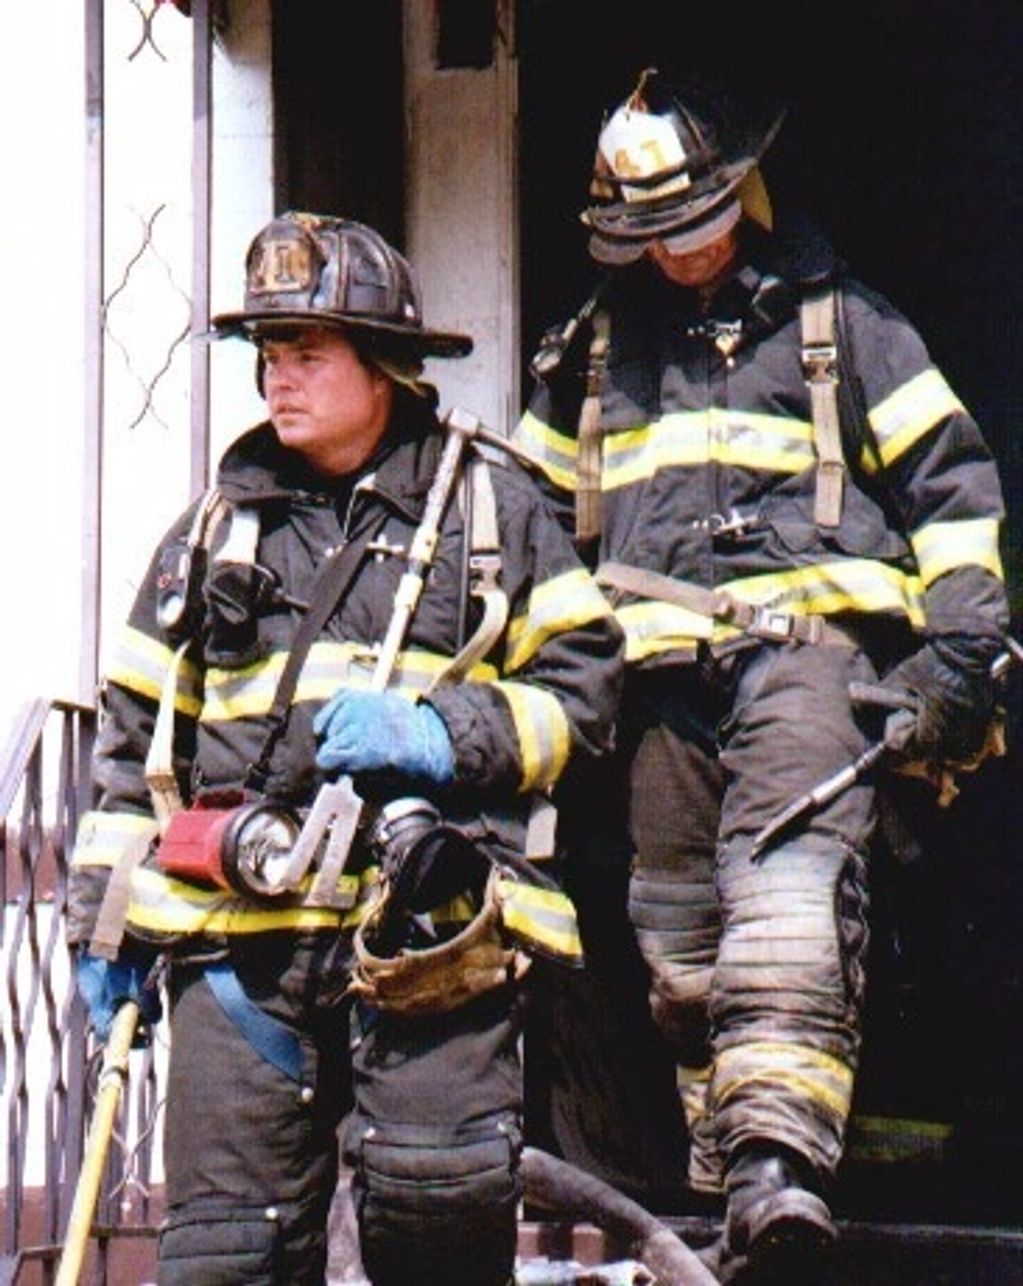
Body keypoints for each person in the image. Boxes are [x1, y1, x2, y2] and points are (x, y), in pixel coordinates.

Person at [513, 68, 1010, 1283]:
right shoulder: (589, 352)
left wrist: (961, 650)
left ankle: (780, 1175)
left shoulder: (851, 328)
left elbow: (954, 495)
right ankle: (724, 1175)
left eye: (689, 221)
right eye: (649, 233)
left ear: (745, 195)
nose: (674, 253)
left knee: (784, 904)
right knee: (679, 937)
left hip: (809, 665)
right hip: (657, 687)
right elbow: (522, 530)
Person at [67, 210, 624, 1286]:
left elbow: (588, 691)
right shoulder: (208, 534)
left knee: (437, 1227)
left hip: (430, 937)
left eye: (308, 352)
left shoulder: (490, 507)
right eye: (269, 355)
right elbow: (131, 745)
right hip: (240, 953)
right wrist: (105, 925)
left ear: (386, 366)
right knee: (226, 1253)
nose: (280, 378)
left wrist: (439, 735)